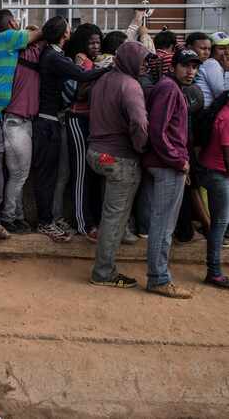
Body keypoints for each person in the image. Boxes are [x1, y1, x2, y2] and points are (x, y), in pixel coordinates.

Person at [34, 17, 108, 240]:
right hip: (47, 123)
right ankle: (45, 222)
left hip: (51, 122)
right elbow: (83, 75)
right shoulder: (53, 56)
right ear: (63, 34)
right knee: (47, 176)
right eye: (68, 27)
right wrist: (108, 67)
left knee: (54, 175)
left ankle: (50, 219)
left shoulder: (54, 55)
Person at [87, 41, 150, 289]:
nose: (145, 65)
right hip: (118, 158)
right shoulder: (131, 85)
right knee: (114, 215)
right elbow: (139, 123)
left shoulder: (102, 80)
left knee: (112, 209)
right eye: (142, 60)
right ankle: (103, 272)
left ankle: (121, 232)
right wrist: (140, 147)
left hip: (98, 156)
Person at [0, 10, 43, 239]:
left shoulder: (2, 41)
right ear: (11, 23)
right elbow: (41, 32)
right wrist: (31, 28)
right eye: (16, 21)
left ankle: (6, 216)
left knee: (2, 172)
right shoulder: (7, 37)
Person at [142, 49, 200, 299]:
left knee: (162, 223)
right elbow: (158, 131)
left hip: (167, 163)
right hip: (166, 164)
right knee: (163, 225)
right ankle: (159, 279)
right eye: (186, 66)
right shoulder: (168, 88)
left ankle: (159, 276)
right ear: (173, 66)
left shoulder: (170, 87)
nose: (191, 71)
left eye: (195, 67)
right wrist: (178, 161)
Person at [63, 23, 105, 241]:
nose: (96, 46)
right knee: (81, 173)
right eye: (91, 42)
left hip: (94, 122)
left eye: (98, 42)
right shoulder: (76, 62)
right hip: (77, 120)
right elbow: (75, 94)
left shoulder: (96, 62)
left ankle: (96, 220)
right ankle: (83, 223)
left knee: (96, 174)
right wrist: (95, 73)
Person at [197, 90, 229, 289]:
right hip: (218, 174)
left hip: (209, 169)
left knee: (219, 222)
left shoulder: (222, 111)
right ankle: (214, 272)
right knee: (220, 223)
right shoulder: (227, 117)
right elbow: (228, 157)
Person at [192, 32, 224, 107]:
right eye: (222, 48)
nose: (226, 52)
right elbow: (221, 92)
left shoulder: (201, 63)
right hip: (206, 113)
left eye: (209, 49)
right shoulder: (211, 63)